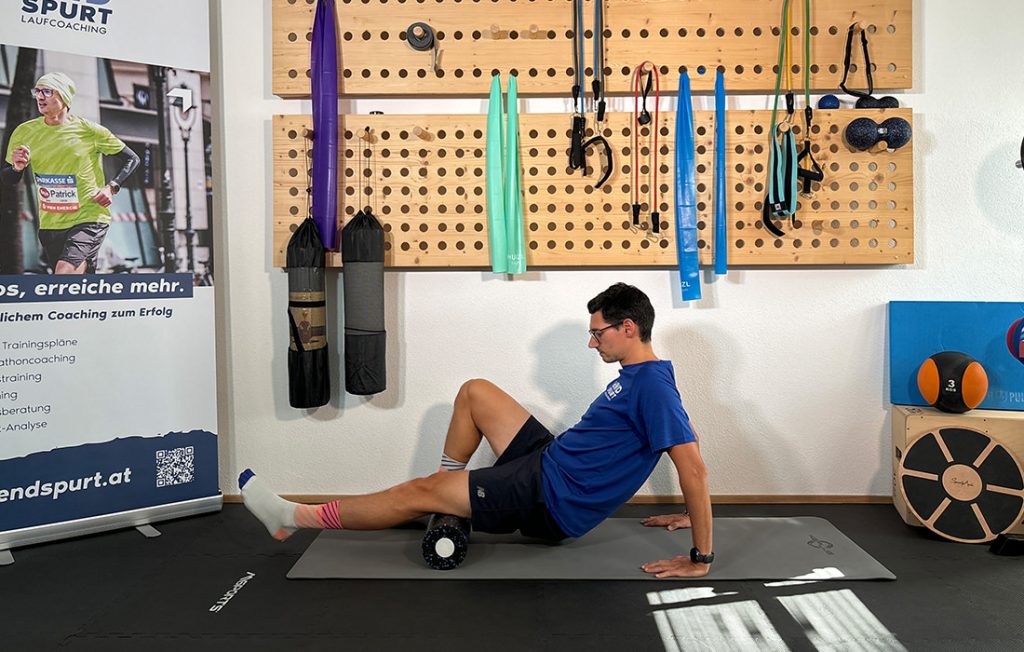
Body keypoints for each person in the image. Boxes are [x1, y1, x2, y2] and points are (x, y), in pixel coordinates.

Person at [240, 283, 714, 578]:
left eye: (599, 333)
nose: (592, 342)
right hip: (550, 460)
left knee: (418, 490)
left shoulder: (650, 385)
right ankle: (448, 493)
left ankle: (293, 519)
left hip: (549, 499)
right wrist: (688, 515)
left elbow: (693, 467)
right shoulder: (650, 376)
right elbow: (682, 432)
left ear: (628, 328)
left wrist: (699, 555)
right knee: (475, 392)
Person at [1, 72, 140, 274]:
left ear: (64, 96)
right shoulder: (24, 132)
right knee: (75, 285)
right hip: (51, 223)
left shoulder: (89, 131)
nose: (40, 97)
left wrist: (112, 187)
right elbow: (8, 178)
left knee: (64, 273)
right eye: (37, 91)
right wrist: (16, 168)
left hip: (89, 216)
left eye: (47, 91)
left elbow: (132, 159)